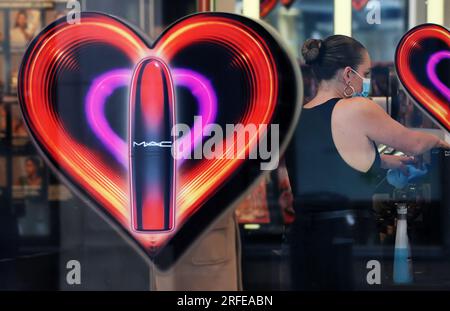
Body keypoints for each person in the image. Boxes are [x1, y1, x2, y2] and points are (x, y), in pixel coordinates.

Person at [285, 35, 450, 290]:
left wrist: (385, 161)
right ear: (348, 74)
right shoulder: (356, 108)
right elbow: (414, 143)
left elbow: (333, 161)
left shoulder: (299, 115)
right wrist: (440, 143)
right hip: (347, 239)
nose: (368, 81)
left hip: (303, 240)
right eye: (366, 72)